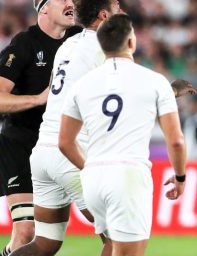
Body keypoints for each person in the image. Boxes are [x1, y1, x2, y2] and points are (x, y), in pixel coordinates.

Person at [58, 14, 187, 256]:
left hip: (93, 178)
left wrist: (91, 166)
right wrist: (180, 177)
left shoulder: (82, 85)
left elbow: (64, 142)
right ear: (131, 43)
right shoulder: (155, 81)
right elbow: (176, 141)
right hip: (128, 175)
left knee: (111, 246)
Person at [12, 0, 122, 256]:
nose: (124, 14)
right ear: (104, 15)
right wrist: (167, 93)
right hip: (72, 154)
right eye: (118, 8)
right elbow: (128, 93)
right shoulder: (104, 48)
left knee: (45, 243)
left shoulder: (67, 45)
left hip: (43, 154)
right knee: (118, 238)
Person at [0, 0, 76, 256]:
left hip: (58, 148)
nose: (70, 2)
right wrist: (38, 98)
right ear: (43, 8)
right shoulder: (24, 45)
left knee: (49, 242)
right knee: (26, 231)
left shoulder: (81, 40)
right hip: (20, 145)